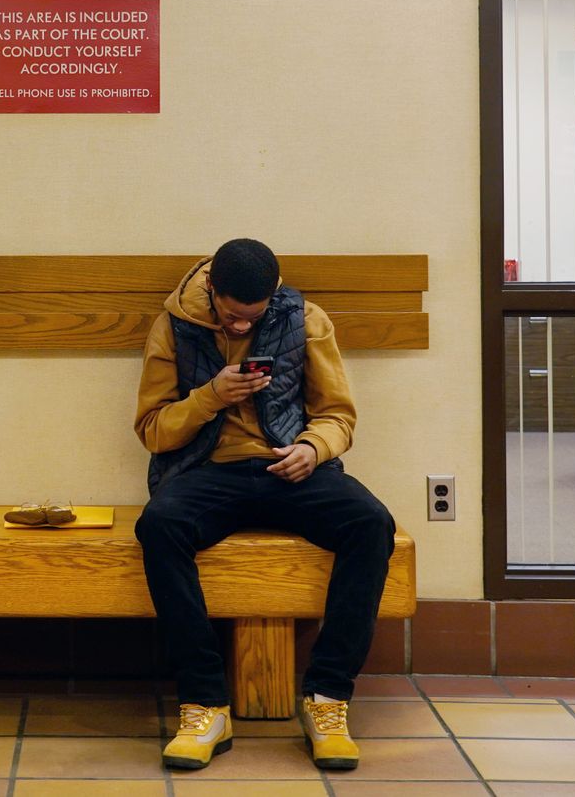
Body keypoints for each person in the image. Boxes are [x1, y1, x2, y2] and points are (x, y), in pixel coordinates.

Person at [134, 238, 395, 772]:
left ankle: (327, 699)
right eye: (231, 317)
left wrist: (311, 448)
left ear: (272, 294)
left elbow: (338, 416)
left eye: (250, 319)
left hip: (290, 470)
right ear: (212, 289)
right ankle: (205, 704)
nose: (239, 328)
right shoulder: (174, 325)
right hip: (209, 472)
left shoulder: (306, 319)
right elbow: (152, 431)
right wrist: (211, 396)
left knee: (371, 524)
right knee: (159, 525)